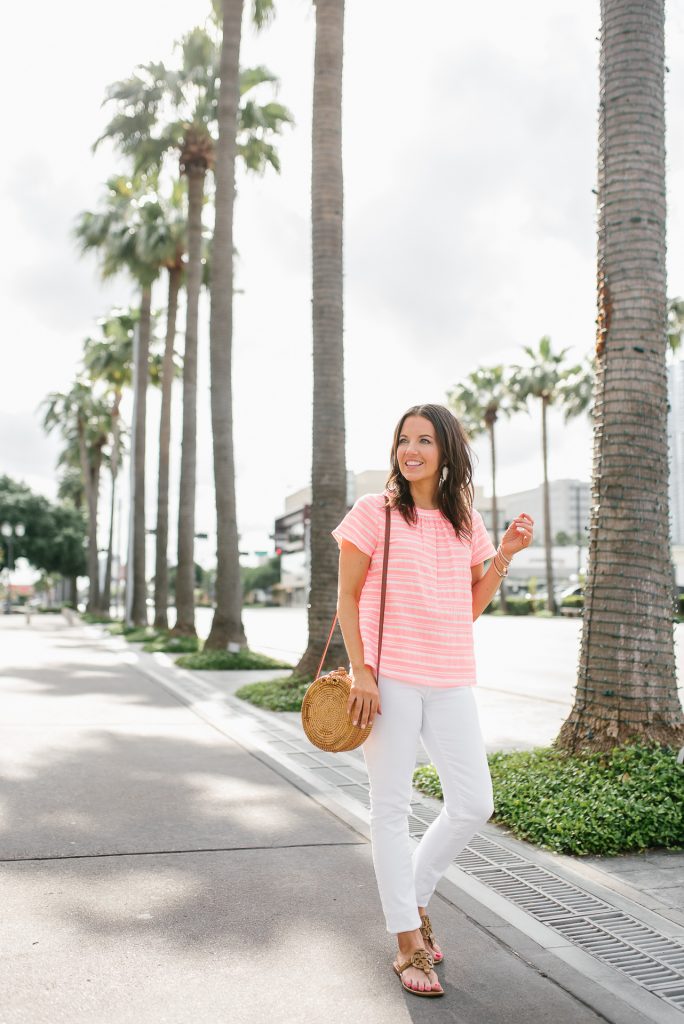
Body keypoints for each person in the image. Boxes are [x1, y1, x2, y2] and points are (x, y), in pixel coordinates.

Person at [331, 403, 534, 998]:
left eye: (424, 439)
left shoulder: (462, 519)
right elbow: (346, 598)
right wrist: (362, 672)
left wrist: (504, 555)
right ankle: (406, 944)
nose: (410, 449)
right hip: (387, 677)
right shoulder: (374, 513)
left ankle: (412, 902)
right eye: (402, 439)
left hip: (448, 676)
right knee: (390, 809)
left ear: (447, 450)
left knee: (473, 803)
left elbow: (467, 608)